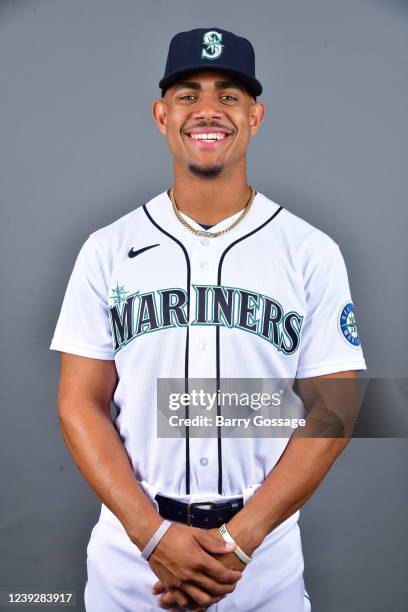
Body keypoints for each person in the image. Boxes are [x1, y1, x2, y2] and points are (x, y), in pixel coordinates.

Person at [50, 27, 367, 611]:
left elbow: (337, 406)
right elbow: (79, 402)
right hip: (132, 556)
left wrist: (242, 541)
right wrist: (152, 535)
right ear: (161, 114)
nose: (207, 110)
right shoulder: (107, 248)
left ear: (255, 116)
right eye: (188, 93)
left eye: (228, 95)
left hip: (261, 554)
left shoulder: (309, 250)